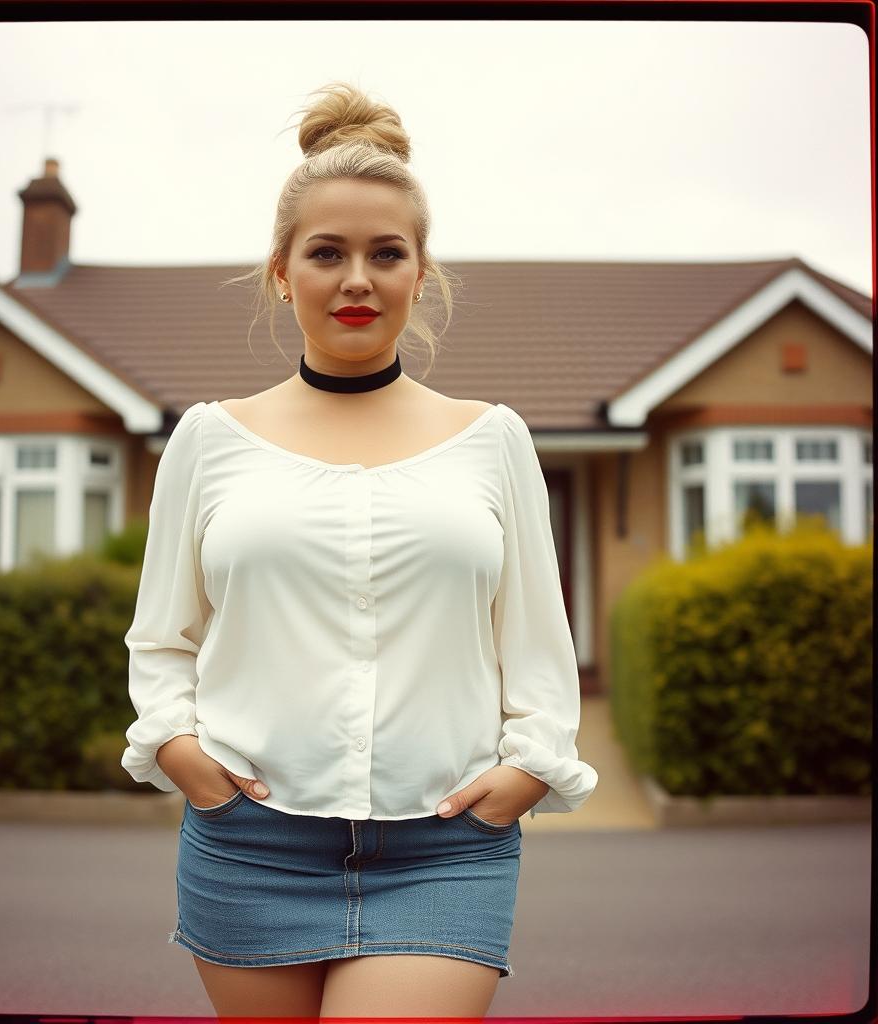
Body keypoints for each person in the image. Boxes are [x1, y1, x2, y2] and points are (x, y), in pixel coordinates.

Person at [121, 81, 598, 1019]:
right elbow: (163, 636)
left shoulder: (492, 437)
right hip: (248, 845)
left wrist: (531, 766)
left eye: (387, 254)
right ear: (281, 271)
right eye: (326, 252)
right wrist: (178, 749)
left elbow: (538, 640)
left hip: (446, 847)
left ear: (422, 274)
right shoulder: (210, 439)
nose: (356, 279)